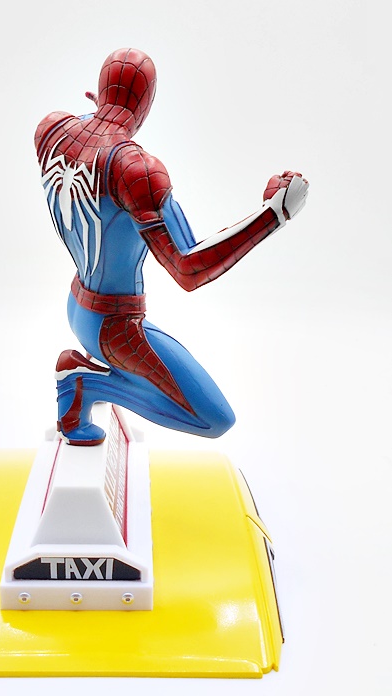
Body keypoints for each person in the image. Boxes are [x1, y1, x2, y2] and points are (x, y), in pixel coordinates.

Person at [34, 48, 309, 446]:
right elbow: (188, 269)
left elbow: (87, 145)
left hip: (76, 304)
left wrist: (100, 116)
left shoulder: (52, 130)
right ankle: (84, 381)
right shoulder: (135, 170)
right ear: (146, 107)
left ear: (98, 92)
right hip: (114, 327)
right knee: (213, 419)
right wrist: (273, 215)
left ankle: (89, 379)